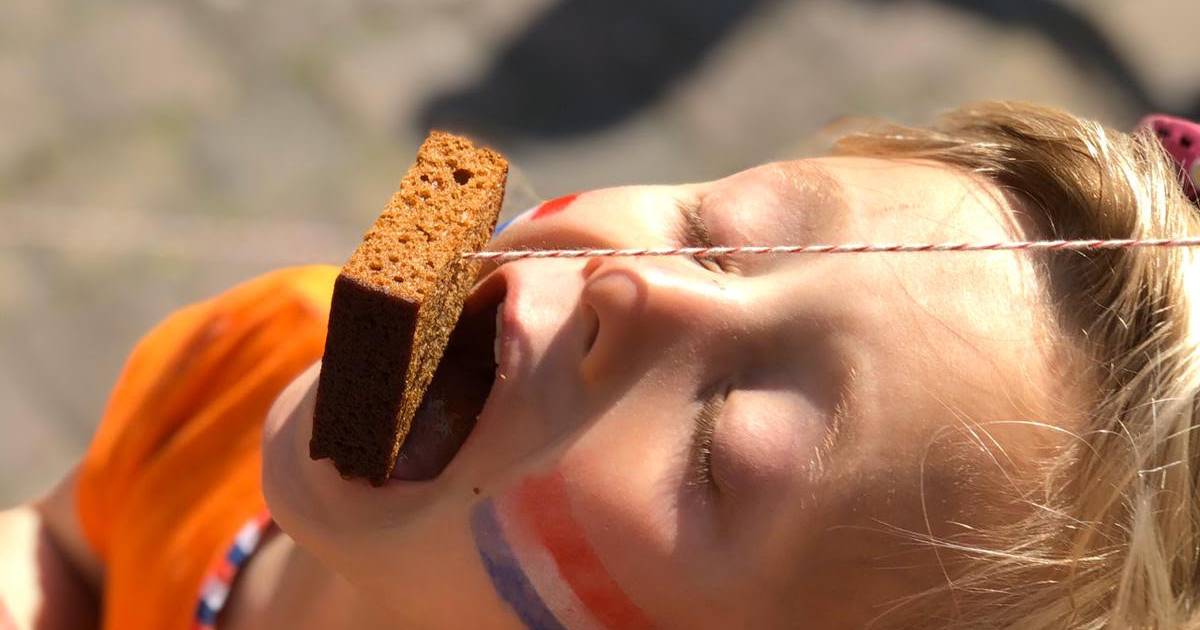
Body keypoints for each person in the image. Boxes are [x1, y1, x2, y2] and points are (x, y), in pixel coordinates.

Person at [3, 100, 1200, 630]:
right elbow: (74, 536)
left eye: (721, 449)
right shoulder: (263, 346)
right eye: (715, 233)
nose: (638, 286)